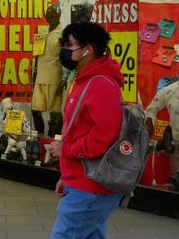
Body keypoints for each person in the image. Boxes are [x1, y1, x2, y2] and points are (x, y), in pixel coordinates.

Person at [48, 22, 124, 239]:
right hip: (84, 183)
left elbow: (104, 137)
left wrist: (68, 150)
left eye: (69, 46)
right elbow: (79, 130)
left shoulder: (100, 84)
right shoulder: (82, 80)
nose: (64, 51)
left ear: (88, 50)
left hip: (91, 188)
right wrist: (68, 175)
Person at [32, 5, 64, 136]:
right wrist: (34, 73)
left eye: (52, 16)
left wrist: (63, 82)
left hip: (55, 78)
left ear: (58, 16)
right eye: (48, 15)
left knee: (55, 114)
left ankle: (53, 142)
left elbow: (66, 58)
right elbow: (37, 55)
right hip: (40, 77)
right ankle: (40, 139)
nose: (50, 18)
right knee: (35, 110)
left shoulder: (63, 34)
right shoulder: (42, 32)